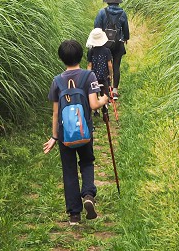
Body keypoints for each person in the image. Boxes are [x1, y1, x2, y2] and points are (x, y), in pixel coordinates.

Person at [43, 39, 110, 226]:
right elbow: (94, 104)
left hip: (65, 136)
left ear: (61, 58)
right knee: (87, 162)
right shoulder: (89, 76)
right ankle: (88, 194)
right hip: (85, 131)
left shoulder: (57, 81)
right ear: (81, 55)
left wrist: (54, 137)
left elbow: (56, 112)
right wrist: (105, 99)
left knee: (69, 170)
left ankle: (74, 215)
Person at [93, 0, 129, 100]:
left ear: (108, 2)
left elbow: (96, 28)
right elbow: (126, 30)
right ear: (118, 2)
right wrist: (126, 38)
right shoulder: (123, 13)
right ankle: (115, 91)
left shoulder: (102, 13)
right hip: (118, 43)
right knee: (116, 66)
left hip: (104, 44)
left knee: (105, 67)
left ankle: (105, 91)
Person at [86, 28, 113, 109]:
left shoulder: (91, 51)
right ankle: (106, 104)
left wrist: (88, 77)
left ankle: (96, 110)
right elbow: (109, 65)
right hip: (104, 75)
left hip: (94, 77)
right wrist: (111, 74)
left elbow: (90, 65)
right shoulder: (107, 51)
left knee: (94, 92)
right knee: (105, 91)